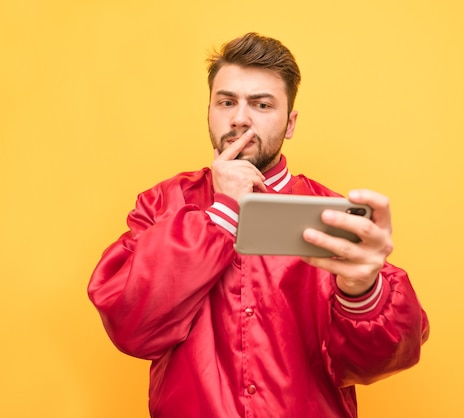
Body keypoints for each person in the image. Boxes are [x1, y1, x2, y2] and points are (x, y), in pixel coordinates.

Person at [88, 32, 430, 418]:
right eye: (226, 102)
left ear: (290, 123)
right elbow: (129, 323)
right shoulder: (162, 203)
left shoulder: (334, 216)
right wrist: (223, 212)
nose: (240, 118)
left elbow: (382, 360)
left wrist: (363, 291)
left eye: (261, 104)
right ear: (209, 111)